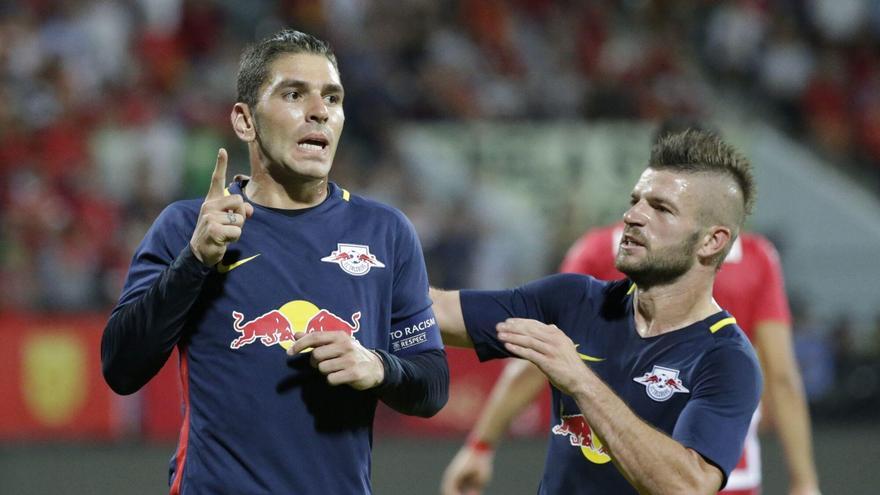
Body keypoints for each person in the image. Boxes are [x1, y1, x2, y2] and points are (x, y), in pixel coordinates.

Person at [101, 29, 448, 494]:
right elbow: (121, 368)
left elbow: (432, 384)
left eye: (332, 97)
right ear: (245, 121)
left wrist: (380, 367)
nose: (319, 111)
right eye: (293, 94)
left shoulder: (385, 232)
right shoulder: (189, 226)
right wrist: (195, 261)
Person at [441, 131, 820, 495]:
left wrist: (580, 380)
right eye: (636, 200)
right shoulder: (574, 299)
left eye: (661, 208)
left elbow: (686, 487)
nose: (632, 215)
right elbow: (438, 313)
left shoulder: (728, 360)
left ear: (711, 241)